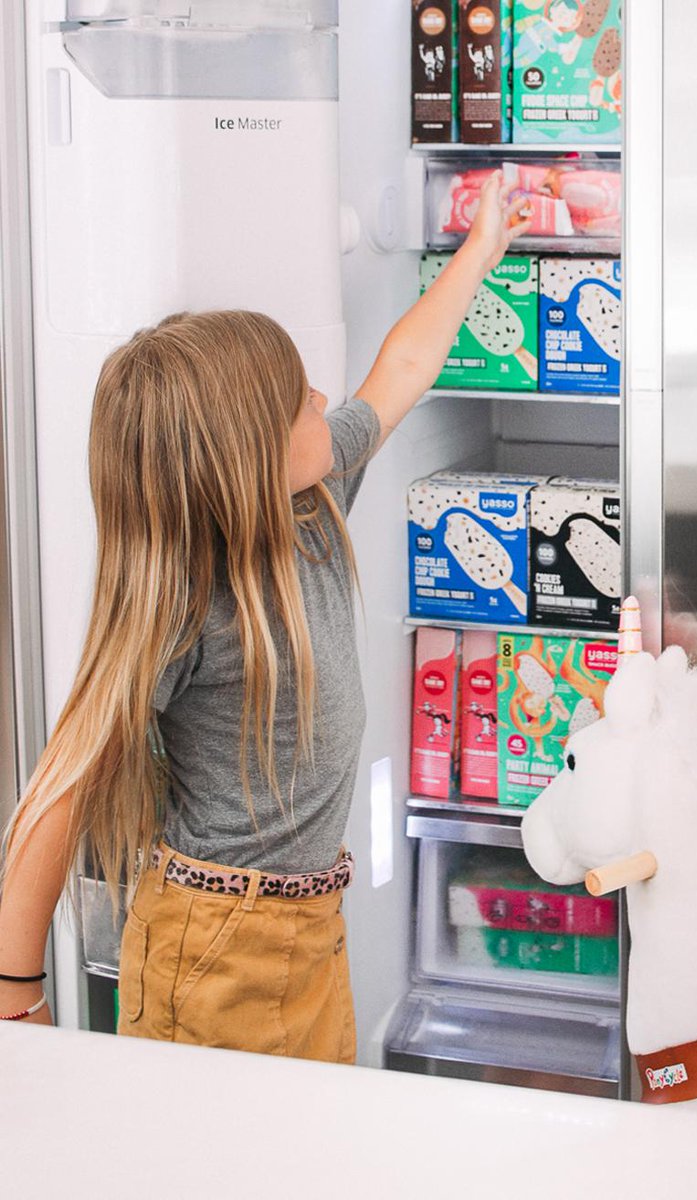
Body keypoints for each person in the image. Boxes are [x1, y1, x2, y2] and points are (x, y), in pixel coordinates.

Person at [0, 174, 530, 1058]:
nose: (325, 399)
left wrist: (479, 252)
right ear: (245, 460)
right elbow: (58, 796)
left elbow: (399, 370)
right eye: (299, 401)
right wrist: (16, 998)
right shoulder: (187, 601)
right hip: (213, 944)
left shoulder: (311, 501)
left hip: (309, 928)